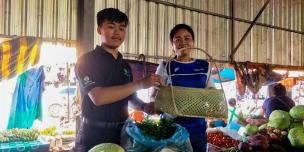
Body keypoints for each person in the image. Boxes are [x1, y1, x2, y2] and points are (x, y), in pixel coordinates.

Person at [74, 8, 163, 151]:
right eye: (111, 27)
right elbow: (98, 97)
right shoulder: (87, 60)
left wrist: (145, 107)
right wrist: (140, 83)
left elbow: (129, 97)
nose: (117, 33)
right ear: (99, 30)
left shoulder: (124, 65)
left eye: (121, 28)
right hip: (93, 134)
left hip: (121, 133)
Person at [155, 24, 214, 152]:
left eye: (187, 38)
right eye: (178, 39)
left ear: (193, 42)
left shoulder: (204, 66)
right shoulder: (165, 66)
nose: (183, 42)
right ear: (172, 44)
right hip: (172, 130)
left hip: (197, 130)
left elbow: (212, 92)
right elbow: (156, 95)